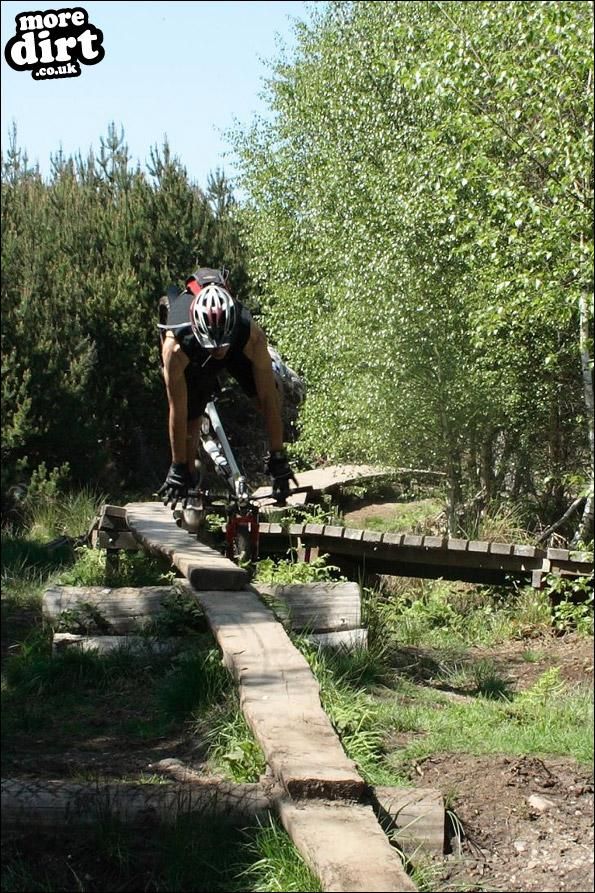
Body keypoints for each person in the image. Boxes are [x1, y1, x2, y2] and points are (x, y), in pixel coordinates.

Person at [157, 267, 298, 508]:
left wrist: (278, 457)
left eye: (221, 346)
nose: (218, 351)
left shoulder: (249, 333)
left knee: (268, 398)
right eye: (214, 347)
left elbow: (268, 400)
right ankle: (191, 470)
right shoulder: (176, 347)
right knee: (191, 417)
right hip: (196, 352)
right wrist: (177, 466)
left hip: (237, 347)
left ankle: (273, 364)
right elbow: (177, 412)